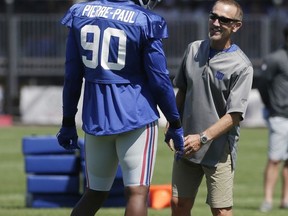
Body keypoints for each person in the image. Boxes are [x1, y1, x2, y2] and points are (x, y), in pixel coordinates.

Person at [56, 0, 184, 215]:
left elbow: (72, 75)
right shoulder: (145, 19)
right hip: (136, 115)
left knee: (94, 193)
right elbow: (159, 79)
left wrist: (68, 120)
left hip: (95, 115)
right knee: (137, 193)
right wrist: (175, 121)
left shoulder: (80, 12)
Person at [170, 0, 254, 216]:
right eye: (213, 16)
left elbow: (234, 115)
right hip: (186, 145)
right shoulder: (193, 49)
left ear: (236, 26)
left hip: (218, 151)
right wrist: (173, 126)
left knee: (222, 211)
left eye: (224, 20)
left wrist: (202, 138)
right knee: (178, 204)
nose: (216, 23)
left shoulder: (241, 65)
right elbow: (182, 91)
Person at [258, 25, 288, 212]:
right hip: (280, 116)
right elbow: (262, 84)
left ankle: (285, 199)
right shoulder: (276, 58)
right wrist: (271, 107)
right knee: (275, 158)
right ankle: (268, 199)